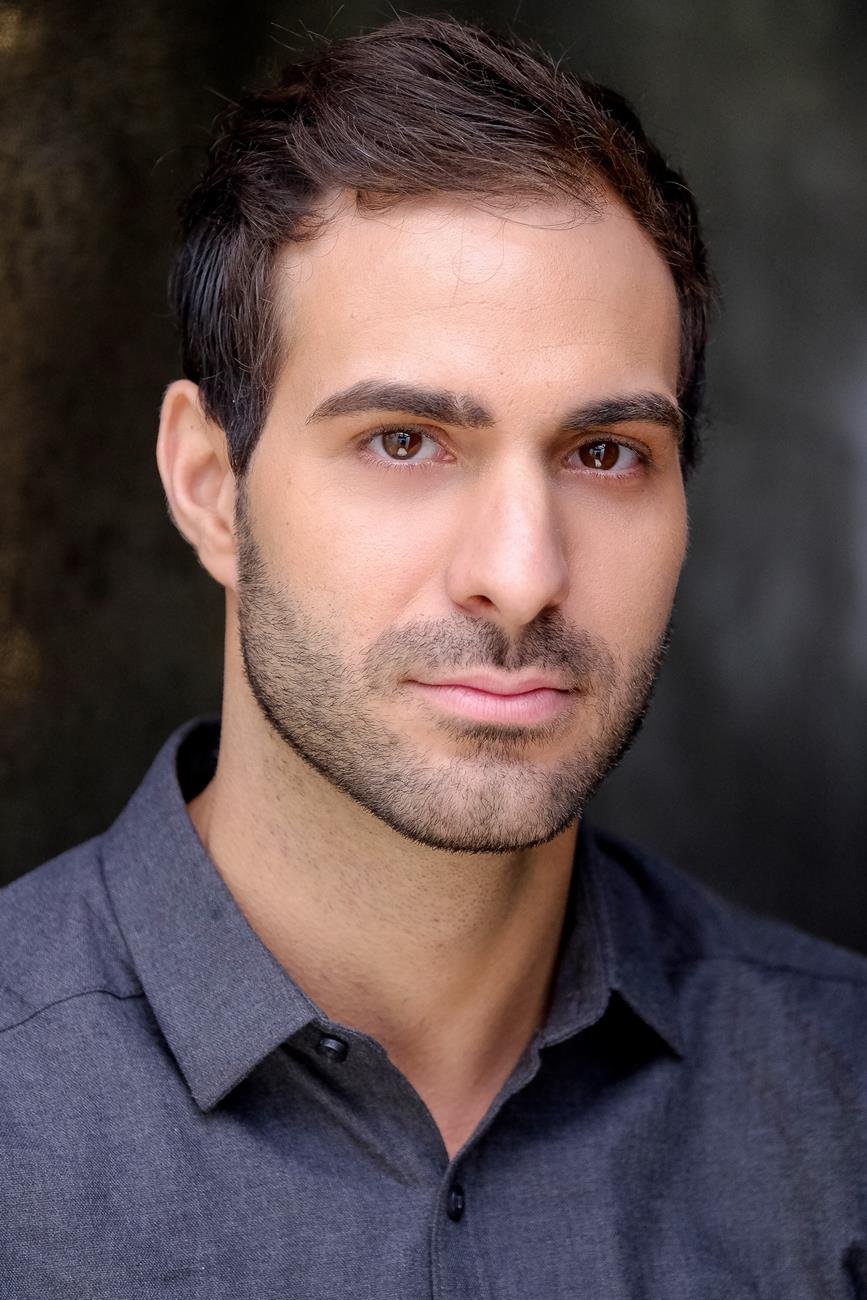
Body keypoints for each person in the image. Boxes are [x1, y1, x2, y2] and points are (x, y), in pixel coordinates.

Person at [1, 14, 865, 1298]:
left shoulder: (838, 1102)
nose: (521, 572)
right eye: (405, 440)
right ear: (208, 487)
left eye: (605, 453)